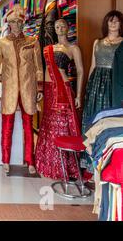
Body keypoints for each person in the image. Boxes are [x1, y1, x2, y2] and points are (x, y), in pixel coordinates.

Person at [0, 5, 43, 175]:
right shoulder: (2, 42)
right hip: (9, 88)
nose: (17, 25)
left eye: (19, 22)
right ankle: (5, 160)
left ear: (23, 23)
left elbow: (38, 66)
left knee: (28, 126)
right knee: (7, 125)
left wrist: (40, 87)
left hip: (28, 87)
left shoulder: (32, 42)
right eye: (13, 22)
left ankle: (30, 160)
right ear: (9, 24)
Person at [35, 19, 84, 179]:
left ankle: (63, 165)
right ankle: (47, 162)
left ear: (67, 28)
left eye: (63, 26)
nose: (60, 28)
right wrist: (40, 89)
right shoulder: (48, 48)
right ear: (54, 30)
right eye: (57, 27)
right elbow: (42, 70)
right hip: (48, 90)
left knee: (61, 125)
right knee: (48, 124)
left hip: (62, 88)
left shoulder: (73, 48)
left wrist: (78, 94)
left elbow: (81, 71)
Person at [82, 10, 123, 132]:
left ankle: (107, 147)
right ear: (106, 23)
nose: (113, 23)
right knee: (95, 110)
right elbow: (92, 65)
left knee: (110, 111)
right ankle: (91, 146)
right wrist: (88, 86)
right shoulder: (97, 42)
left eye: (116, 21)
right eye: (110, 20)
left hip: (114, 81)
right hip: (97, 81)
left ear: (121, 24)